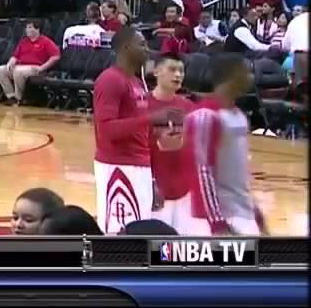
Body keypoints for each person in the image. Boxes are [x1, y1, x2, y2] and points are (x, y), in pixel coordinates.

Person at [93, 27, 179, 234]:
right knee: (120, 236)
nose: (148, 50)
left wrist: (151, 180)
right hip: (117, 168)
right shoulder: (110, 80)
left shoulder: (137, 82)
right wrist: (152, 118)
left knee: (141, 234)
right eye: (142, 45)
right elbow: (106, 130)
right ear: (125, 48)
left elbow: (140, 132)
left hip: (139, 167)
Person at [187, 54, 265, 236]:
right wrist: (216, 222)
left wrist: (252, 207)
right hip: (220, 216)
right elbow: (202, 171)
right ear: (230, 76)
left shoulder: (238, 114)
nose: (251, 77)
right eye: (245, 72)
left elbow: (239, 170)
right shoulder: (206, 115)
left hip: (242, 211)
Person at [146, 57, 198, 234]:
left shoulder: (189, 107)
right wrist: (149, 183)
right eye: (172, 69)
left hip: (185, 192)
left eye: (181, 71)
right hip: (154, 190)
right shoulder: (142, 105)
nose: (178, 75)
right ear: (156, 71)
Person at [0, 19, 62, 105]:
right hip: (20, 66)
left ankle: (19, 98)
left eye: (30, 27)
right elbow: (15, 56)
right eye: (26, 27)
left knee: (18, 72)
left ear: (37, 29)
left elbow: (56, 56)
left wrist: (42, 68)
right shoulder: (24, 41)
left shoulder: (46, 41)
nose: (27, 30)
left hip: (35, 68)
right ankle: (11, 97)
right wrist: (10, 62)